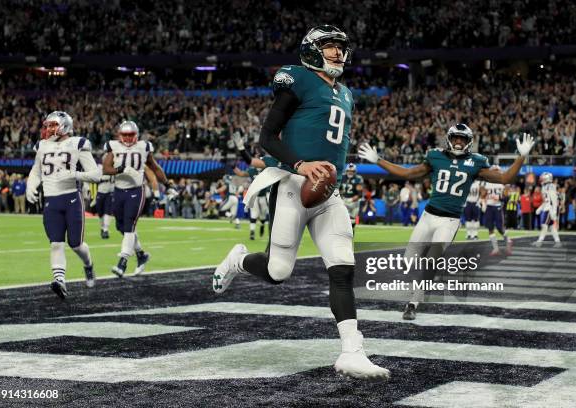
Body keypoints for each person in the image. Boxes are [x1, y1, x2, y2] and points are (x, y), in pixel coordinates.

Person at [213, 25, 390, 380]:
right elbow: (267, 137)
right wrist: (301, 164)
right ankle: (238, 260)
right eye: (329, 46)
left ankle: (352, 352)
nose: (337, 53)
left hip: (329, 191)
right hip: (294, 183)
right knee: (279, 271)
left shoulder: (347, 93)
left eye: (340, 47)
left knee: (342, 268)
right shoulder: (298, 79)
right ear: (312, 50)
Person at [359, 126, 534, 320]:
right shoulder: (435, 156)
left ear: (469, 142)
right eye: (456, 138)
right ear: (449, 139)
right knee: (409, 260)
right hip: (427, 217)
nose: (458, 142)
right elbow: (408, 174)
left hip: (449, 221)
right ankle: (422, 286)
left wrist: (521, 156)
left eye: (462, 138)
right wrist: (378, 160)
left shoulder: (476, 162)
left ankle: (413, 303)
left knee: (432, 260)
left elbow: (504, 178)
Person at [25, 111, 101, 299]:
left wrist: (75, 175)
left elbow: (96, 174)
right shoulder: (42, 145)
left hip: (71, 199)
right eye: (48, 125)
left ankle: (88, 265)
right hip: (51, 199)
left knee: (75, 244)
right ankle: (60, 281)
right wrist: (30, 186)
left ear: (65, 125)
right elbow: (36, 171)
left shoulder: (77, 143)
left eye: (53, 125)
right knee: (56, 244)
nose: (49, 129)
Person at [102, 120, 168, 277]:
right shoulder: (113, 146)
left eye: (131, 135)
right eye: (125, 135)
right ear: (119, 135)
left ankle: (122, 262)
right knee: (121, 227)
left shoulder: (144, 146)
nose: (128, 138)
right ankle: (141, 255)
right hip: (119, 191)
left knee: (130, 225)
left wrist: (167, 183)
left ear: (136, 135)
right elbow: (106, 169)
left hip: (136, 191)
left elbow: (155, 167)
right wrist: (122, 169)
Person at [481, 169, 513, 256]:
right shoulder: (486, 182)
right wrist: (483, 202)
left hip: (498, 207)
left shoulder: (503, 181)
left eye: (496, 171)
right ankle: (495, 249)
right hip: (489, 207)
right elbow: (482, 193)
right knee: (490, 228)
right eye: (493, 171)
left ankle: (508, 240)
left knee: (499, 227)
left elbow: (507, 197)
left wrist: (499, 198)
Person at [532, 172, 562, 247]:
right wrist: (540, 208)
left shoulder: (550, 186)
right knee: (551, 226)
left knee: (544, 225)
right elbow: (546, 200)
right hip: (548, 206)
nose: (541, 180)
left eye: (542, 178)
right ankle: (557, 241)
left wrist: (554, 210)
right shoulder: (545, 186)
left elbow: (554, 200)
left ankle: (540, 241)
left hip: (550, 208)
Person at [340, 163, 363, 230]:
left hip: (354, 202)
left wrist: (351, 200)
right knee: (342, 220)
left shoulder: (358, 178)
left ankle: (351, 236)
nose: (350, 173)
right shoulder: (342, 177)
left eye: (352, 171)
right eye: (349, 171)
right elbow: (338, 189)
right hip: (344, 200)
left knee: (352, 221)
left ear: (355, 172)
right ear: (346, 171)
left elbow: (360, 194)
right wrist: (341, 197)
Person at [95, 164, 114, 239]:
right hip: (100, 190)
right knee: (100, 212)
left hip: (110, 191)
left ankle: (105, 230)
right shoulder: (99, 166)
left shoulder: (114, 166)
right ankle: (103, 228)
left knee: (108, 211)